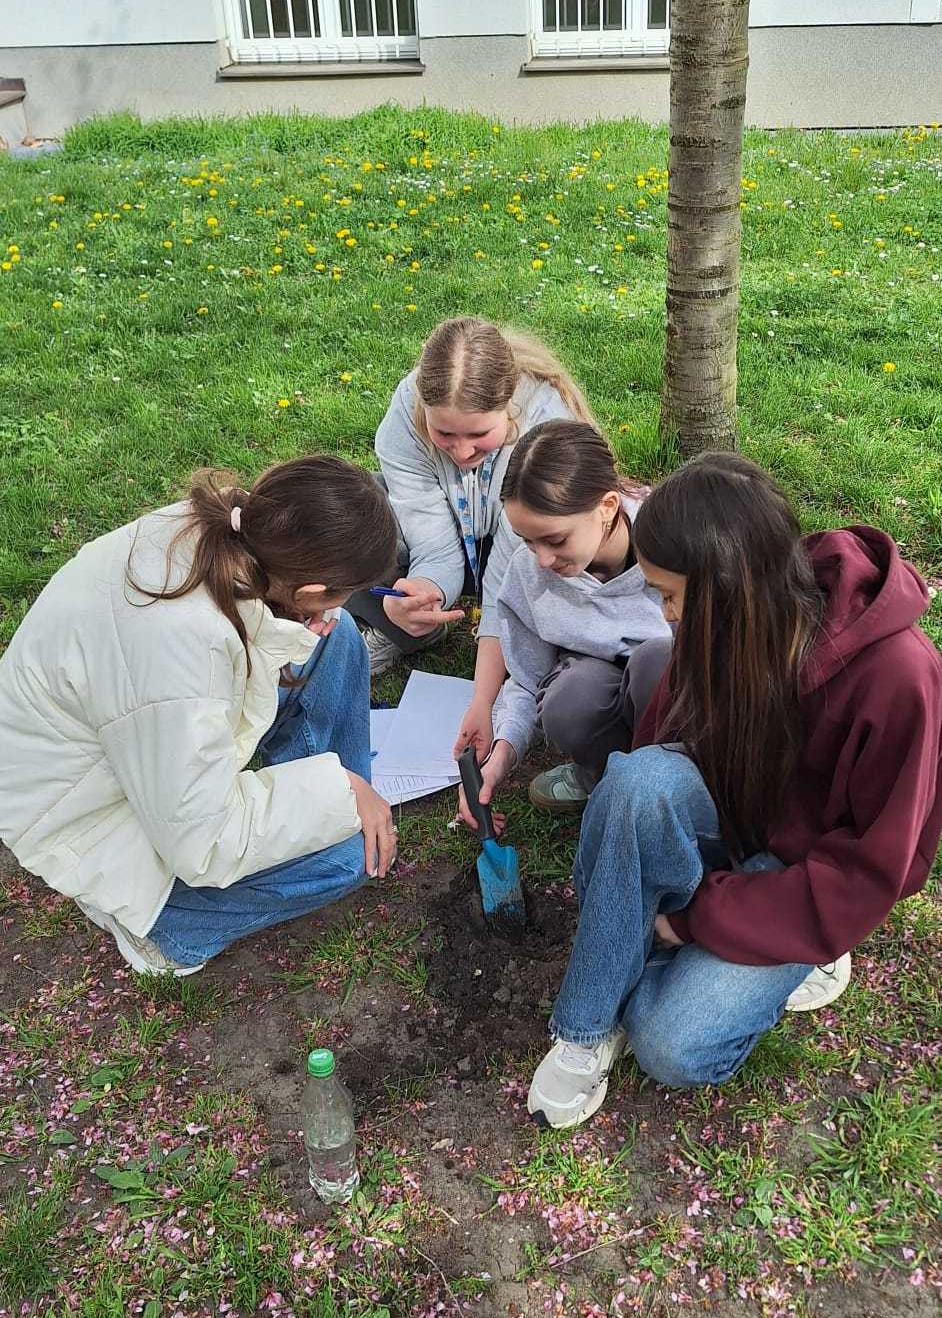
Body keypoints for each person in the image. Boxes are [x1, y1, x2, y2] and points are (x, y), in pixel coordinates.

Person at [527, 452, 942, 1131]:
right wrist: (644, 847)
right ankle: (585, 1027)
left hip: (811, 877)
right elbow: (655, 756)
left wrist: (690, 919)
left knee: (672, 1048)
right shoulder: (723, 620)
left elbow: (867, 872)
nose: (664, 614)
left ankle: (787, 954)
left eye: (669, 593)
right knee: (636, 782)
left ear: (728, 584)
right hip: (733, 814)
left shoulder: (901, 677)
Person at [0, 457, 400, 978]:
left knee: (338, 636)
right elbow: (203, 844)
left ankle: (355, 817)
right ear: (306, 592)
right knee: (344, 860)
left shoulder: (229, 530)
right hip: (86, 811)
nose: (333, 606)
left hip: (142, 753)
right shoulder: (179, 655)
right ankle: (168, 933)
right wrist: (339, 790)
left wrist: (338, 793)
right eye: (337, 594)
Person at [345, 316, 596, 762]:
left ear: (510, 410)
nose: (461, 453)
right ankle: (411, 628)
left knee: (541, 579)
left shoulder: (544, 427)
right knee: (350, 516)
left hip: (526, 547)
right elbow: (431, 540)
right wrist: (426, 590)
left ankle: (528, 660)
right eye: (444, 435)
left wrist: (482, 700)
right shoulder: (405, 415)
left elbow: (508, 573)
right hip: (457, 530)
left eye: (480, 435)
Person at [456, 421, 672, 829]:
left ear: (607, 507)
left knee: (654, 664)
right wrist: (500, 758)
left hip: (678, 696)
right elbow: (527, 678)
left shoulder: (676, 540)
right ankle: (600, 777)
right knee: (569, 701)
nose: (541, 560)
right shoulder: (529, 573)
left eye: (555, 540)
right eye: (526, 541)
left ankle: (672, 786)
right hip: (597, 683)